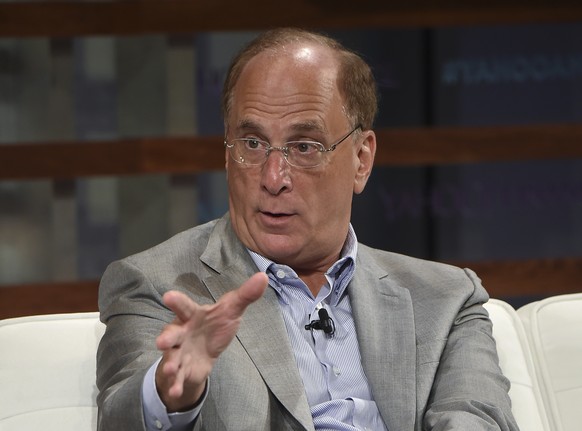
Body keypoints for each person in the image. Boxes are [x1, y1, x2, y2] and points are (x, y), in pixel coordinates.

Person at [96, 27, 519, 431]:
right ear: (226, 151)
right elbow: (119, 418)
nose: (273, 177)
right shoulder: (158, 284)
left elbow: (476, 418)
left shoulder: (445, 300)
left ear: (361, 159)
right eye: (252, 144)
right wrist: (170, 396)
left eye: (304, 147)